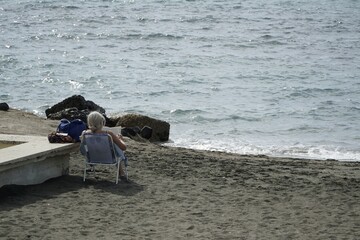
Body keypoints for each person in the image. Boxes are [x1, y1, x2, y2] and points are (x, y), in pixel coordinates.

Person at [80, 111, 128, 180]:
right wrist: (120, 139)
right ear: (101, 123)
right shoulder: (109, 134)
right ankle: (121, 173)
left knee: (112, 147)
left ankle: (121, 172)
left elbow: (83, 148)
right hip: (109, 158)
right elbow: (124, 147)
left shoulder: (85, 134)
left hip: (92, 158)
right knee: (115, 148)